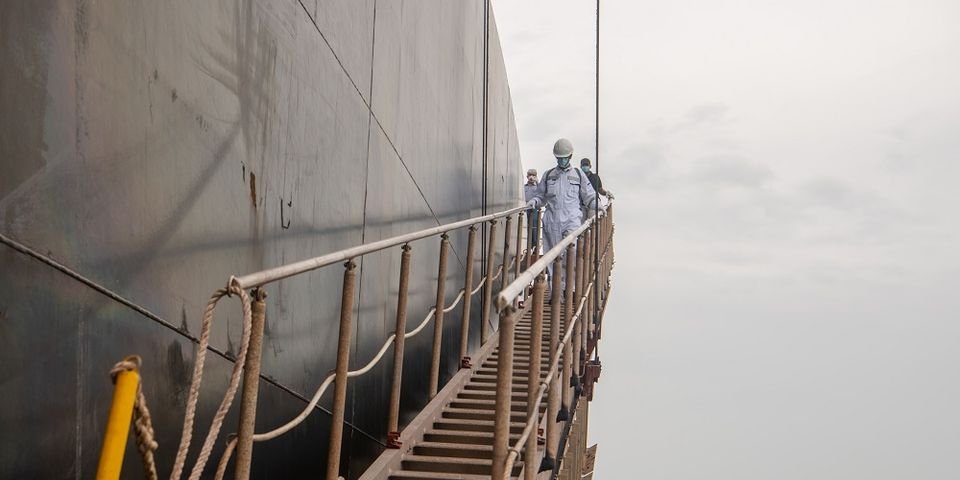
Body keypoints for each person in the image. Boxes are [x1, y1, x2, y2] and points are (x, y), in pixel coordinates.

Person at [525, 138, 599, 290]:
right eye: (559, 158)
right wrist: (535, 201)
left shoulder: (578, 174)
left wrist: (598, 206)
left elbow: (589, 195)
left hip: (572, 220)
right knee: (552, 258)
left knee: (571, 253)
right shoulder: (549, 175)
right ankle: (556, 293)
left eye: (564, 158)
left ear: (570, 156)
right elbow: (541, 196)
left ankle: (570, 290)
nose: (562, 160)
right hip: (552, 221)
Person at [523, 169, 541, 257]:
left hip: (535, 209)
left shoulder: (538, 187)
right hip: (527, 209)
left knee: (534, 228)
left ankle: (536, 247)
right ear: (527, 176)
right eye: (530, 175)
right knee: (528, 228)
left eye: (533, 175)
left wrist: (537, 182)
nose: (531, 177)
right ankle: (529, 247)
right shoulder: (524, 187)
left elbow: (542, 193)